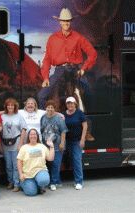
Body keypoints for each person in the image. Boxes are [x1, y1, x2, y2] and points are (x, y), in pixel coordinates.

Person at [37, 8, 96, 140]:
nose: (66, 23)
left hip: (75, 69)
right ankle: (45, 125)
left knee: (90, 92)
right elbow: (47, 59)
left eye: (68, 21)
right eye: (64, 21)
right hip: (59, 70)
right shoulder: (53, 39)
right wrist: (45, 77)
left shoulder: (78, 37)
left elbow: (92, 53)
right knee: (41, 95)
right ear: (60, 22)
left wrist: (83, 69)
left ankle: (87, 130)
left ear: (71, 22)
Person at [17, 129, 55, 196]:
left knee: (43, 180)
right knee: (31, 193)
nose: (33, 136)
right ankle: (24, 184)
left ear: (37, 136)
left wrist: (51, 146)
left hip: (40, 171)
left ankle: (38, 184)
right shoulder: (24, 147)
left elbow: (50, 158)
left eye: (34, 134)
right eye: (31, 134)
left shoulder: (42, 146)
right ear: (28, 136)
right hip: (27, 175)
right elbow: (19, 161)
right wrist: (20, 174)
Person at [40, 100, 68, 191]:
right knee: (48, 165)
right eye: (48, 107)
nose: (50, 109)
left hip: (57, 146)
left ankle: (53, 182)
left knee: (56, 164)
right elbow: (42, 130)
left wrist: (62, 143)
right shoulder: (43, 117)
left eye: (52, 107)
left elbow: (63, 131)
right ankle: (53, 181)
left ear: (54, 109)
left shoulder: (58, 118)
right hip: (46, 146)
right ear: (46, 108)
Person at [1, 98, 27, 192]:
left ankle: (17, 183)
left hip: (16, 142)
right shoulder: (2, 116)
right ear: (6, 106)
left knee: (16, 165)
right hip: (5, 143)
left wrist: (21, 143)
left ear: (15, 106)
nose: (10, 107)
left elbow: (24, 129)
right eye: (8, 105)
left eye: (12, 105)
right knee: (8, 165)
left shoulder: (19, 116)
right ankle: (10, 182)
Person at [63, 96, 87, 190]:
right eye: (68, 103)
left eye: (71, 103)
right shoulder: (63, 114)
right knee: (71, 160)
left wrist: (82, 139)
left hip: (77, 141)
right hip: (67, 141)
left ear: (75, 104)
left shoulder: (79, 113)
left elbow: (85, 126)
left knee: (77, 160)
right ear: (66, 104)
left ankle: (79, 182)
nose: (70, 105)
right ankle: (75, 180)